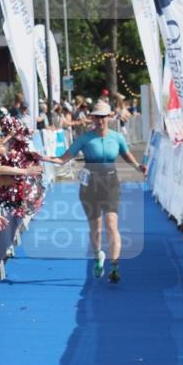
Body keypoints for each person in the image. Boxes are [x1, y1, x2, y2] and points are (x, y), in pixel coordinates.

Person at [44, 100, 147, 284]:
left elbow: (126, 154)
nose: (100, 121)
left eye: (103, 117)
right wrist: (42, 157)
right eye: (97, 117)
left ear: (109, 117)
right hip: (89, 184)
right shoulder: (84, 138)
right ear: (92, 118)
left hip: (110, 183)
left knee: (112, 224)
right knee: (96, 227)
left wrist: (139, 166)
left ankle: (114, 265)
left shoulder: (117, 137)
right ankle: (98, 255)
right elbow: (63, 159)